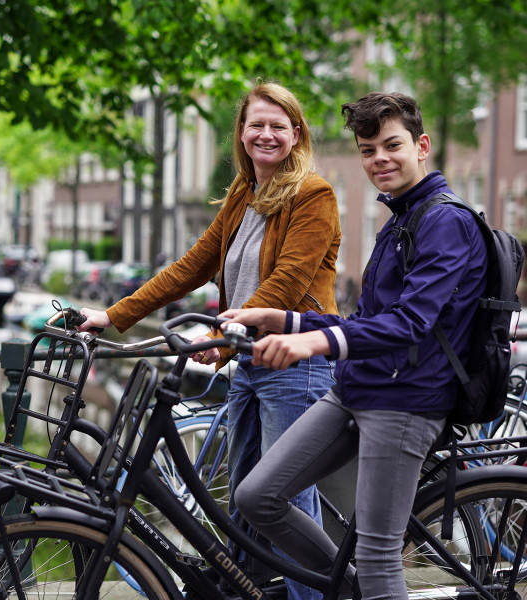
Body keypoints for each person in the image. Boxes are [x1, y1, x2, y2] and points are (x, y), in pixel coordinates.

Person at [76, 81, 342, 600]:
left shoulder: (315, 196)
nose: (265, 134)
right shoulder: (245, 195)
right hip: (250, 362)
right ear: (240, 133)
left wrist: (217, 336)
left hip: (296, 363)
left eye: (277, 126)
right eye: (255, 125)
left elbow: (284, 284)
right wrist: (111, 315)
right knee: (245, 501)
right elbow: (191, 267)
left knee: (285, 502)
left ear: (296, 134)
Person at [218, 92, 488, 600]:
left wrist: (311, 344)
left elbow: (410, 324)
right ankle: (342, 591)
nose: (379, 160)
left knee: (380, 556)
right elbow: (364, 319)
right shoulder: (400, 219)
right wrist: (286, 318)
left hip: (405, 401)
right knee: (258, 496)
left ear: (421, 146)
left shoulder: (444, 222)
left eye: (391, 146)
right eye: (367, 150)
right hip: (357, 388)